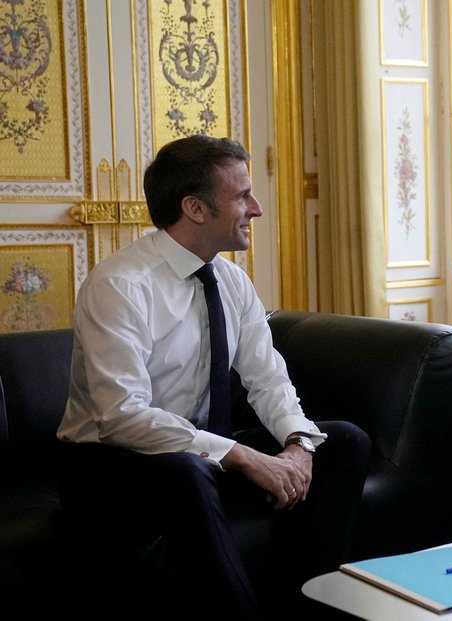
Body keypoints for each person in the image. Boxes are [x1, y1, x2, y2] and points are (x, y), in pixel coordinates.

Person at [57, 135, 371, 619]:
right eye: (242, 195)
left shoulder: (230, 280)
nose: (257, 208)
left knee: (343, 441)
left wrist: (297, 445)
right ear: (195, 209)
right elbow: (121, 418)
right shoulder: (119, 285)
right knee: (188, 469)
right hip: (108, 465)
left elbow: (267, 378)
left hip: (201, 453)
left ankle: (304, 609)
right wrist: (243, 456)